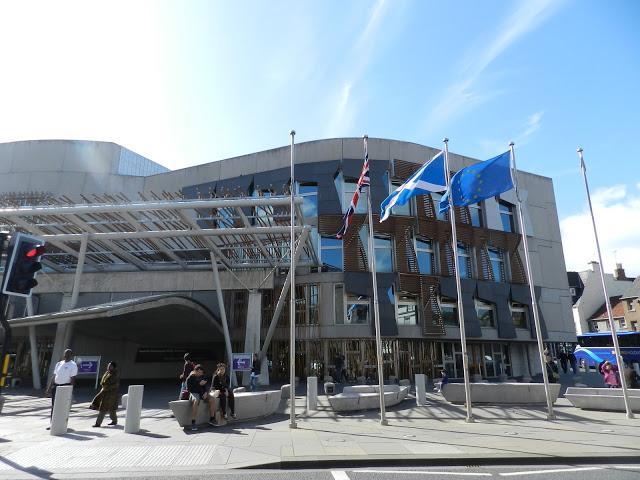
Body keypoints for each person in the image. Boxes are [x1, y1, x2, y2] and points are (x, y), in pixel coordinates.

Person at [44, 349, 78, 430]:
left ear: (71, 355)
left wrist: (70, 390)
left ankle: (62, 424)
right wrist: (48, 388)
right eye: (65, 354)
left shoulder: (73, 365)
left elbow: (73, 378)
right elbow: (54, 376)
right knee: (54, 406)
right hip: (56, 387)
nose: (66, 355)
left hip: (65, 387)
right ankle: (52, 424)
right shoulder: (59, 363)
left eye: (68, 354)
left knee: (62, 406)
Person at [186, 364, 217, 431]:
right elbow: (189, 389)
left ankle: (212, 418)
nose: (200, 374)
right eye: (199, 372)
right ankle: (193, 422)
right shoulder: (190, 378)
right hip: (194, 393)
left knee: (212, 399)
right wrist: (198, 384)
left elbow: (206, 386)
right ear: (195, 371)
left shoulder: (203, 376)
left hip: (203, 393)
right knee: (196, 401)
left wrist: (206, 392)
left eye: (201, 372)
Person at [90, 362, 120, 427]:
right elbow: (103, 383)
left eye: (110, 366)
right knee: (112, 408)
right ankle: (114, 421)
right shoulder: (108, 372)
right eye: (108, 366)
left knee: (103, 409)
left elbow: (116, 385)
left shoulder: (115, 374)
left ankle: (98, 423)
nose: (109, 367)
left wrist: (106, 388)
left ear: (114, 367)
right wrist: (104, 388)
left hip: (111, 394)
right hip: (105, 392)